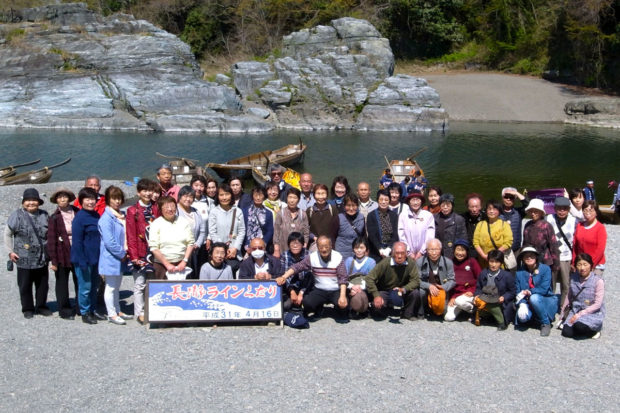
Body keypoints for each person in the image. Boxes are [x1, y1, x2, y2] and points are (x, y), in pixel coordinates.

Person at [276, 236, 349, 322]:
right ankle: (319, 308)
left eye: (326, 246)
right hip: (319, 289)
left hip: (335, 289)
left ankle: (340, 311)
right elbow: (297, 267)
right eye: (321, 247)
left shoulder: (338, 257)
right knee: (307, 302)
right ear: (317, 247)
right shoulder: (312, 257)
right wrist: (284, 277)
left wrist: (343, 296)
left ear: (331, 246)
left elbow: (343, 279)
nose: (324, 249)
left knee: (343, 303)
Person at [5, 188, 50, 319]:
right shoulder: (16, 215)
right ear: (23, 202)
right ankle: (28, 308)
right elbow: (7, 234)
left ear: (39, 202)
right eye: (28, 200)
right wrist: (10, 252)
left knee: (42, 284)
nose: (31, 203)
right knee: (25, 285)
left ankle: (41, 306)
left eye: (34, 200)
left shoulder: (44, 215)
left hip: (41, 257)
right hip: (23, 257)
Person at [126, 178, 160, 324]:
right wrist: (133, 256)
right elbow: (131, 235)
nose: (147, 193)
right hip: (140, 251)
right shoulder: (132, 210)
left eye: (149, 190)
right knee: (140, 283)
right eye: (144, 190)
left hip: (154, 251)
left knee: (153, 281)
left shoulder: (156, 207)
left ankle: (152, 309)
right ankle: (139, 312)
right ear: (138, 192)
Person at [98, 186, 132, 325]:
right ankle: (111, 313)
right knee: (110, 287)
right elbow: (109, 241)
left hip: (121, 257)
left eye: (119, 198)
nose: (117, 201)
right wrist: (122, 253)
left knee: (117, 285)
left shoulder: (121, 215)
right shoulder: (106, 218)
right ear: (108, 200)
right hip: (112, 257)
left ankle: (118, 310)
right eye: (114, 198)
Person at [71, 187, 104, 324]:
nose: (91, 202)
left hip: (95, 257)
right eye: (87, 199)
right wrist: (82, 261)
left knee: (94, 286)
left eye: (93, 199)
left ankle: (93, 309)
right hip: (83, 258)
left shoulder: (96, 215)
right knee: (85, 287)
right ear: (81, 201)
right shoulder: (79, 218)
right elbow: (77, 242)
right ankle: (84, 312)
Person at [365, 242, 421, 320]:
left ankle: (407, 313)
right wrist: (376, 295)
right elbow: (369, 278)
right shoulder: (385, 263)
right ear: (392, 253)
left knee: (415, 293)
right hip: (385, 290)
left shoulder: (411, 263)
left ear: (406, 254)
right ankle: (383, 310)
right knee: (377, 307)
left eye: (402, 253)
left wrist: (404, 289)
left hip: (401, 290)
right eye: (397, 253)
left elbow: (416, 280)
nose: (400, 256)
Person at [47, 188, 79, 319]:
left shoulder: (77, 212)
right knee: (62, 283)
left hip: (77, 252)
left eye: (64, 197)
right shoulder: (54, 217)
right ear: (56, 200)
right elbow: (51, 240)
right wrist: (53, 261)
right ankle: (64, 310)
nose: (62, 199)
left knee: (79, 281)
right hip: (61, 254)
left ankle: (80, 307)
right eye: (59, 197)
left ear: (69, 198)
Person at [514, 246, 557, 336]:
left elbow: (544, 289)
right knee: (522, 318)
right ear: (522, 259)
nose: (529, 258)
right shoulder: (519, 273)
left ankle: (546, 323)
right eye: (526, 256)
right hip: (526, 300)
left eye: (531, 255)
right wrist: (521, 303)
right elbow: (517, 290)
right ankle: (535, 319)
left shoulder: (545, 269)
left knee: (534, 298)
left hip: (544, 299)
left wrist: (530, 292)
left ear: (536, 257)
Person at [148, 196, 195, 280]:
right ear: (160, 209)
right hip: (161, 265)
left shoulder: (183, 222)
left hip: (182, 263)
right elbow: (154, 248)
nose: (170, 209)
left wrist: (184, 261)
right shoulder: (156, 224)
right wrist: (167, 264)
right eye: (166, 207)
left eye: (172, 206)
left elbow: (190, 243)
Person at [561, 253, 605, 339]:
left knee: (579, 327)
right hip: (575, 311)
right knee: (566, 332)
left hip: (592, 313)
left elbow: (598, 304)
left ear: (591, 266)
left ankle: (594, 331)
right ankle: (580, 329)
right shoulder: (573, 278)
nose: (582, 268)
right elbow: (569, 297)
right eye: (579, 265)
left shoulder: (598, 281)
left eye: (585, 265)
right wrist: (562, 314)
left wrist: (580, 314)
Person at [207, 183, 246, 273]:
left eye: (227, 194)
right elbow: (212, 232)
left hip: (234, 252)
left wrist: (235, 248)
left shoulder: (238, 211)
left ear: (231, 196)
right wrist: (222, 249)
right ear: (218, 196)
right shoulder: (214, 212)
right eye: (221, 195)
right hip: (218, 253)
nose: (224, 198)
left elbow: (241, 231)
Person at [473, 249, 516, 330]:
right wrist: (477, 295)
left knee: (492, 305)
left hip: (499, 300)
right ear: (488, 261)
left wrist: (504, 297)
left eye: (497, 262)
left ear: (501, 263)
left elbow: (512, 291)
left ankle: (501, 322)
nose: (493, 264)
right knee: (478, 302)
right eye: (491, 261)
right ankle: (487, 317)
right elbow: (478, 288)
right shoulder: (483, 273)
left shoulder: (507, 275)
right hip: (486, 297)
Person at [546, 196, 576, 308]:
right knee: (550, 284)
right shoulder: (549, 219)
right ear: (554, 208)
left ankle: (564, 307)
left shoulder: (574, 221)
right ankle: (550, 306)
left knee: (566, 285)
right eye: (559, 208)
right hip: (552, 258)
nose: (562, 211)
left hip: (566, 257)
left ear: (568, 209)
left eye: (564, 209)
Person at [415, 239, 455, 317]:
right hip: (427, 288)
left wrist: (443, 287)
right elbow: (416, 280)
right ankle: (421, 312)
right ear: (426, 250)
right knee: (421, 291)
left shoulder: (448, 262)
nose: (434, 253)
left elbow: (452, 280)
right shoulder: (420, 262)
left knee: (444, 313)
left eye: (436, 249)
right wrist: (428, 286)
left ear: (440, 250)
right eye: (431, 249)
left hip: (441, 289)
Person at [444, 239, 481, 322]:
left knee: (460, 301)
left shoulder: (472, 261)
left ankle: (475, 311)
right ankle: (463, 311)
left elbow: (480, 279)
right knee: (448, 318)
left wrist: (473, 291)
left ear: (467, 252)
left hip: (469, 294)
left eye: (463, 250)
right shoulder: (450, 262)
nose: (460, 253)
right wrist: (452, 297)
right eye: (458, 250)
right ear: (454, 251)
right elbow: (449, 282)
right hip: (456, 296)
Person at [522, 198, 560, 273]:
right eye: (531, 211)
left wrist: (556, 264)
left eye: (536, 211)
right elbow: (524, 244)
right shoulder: (527, 225)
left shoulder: (547, 226)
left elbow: (553, 246)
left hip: (544, 260)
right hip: (530, 259)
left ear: (541, 212)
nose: (533, 213)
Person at [176, 186, 206, 278]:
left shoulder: (196, 212)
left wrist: (197, 244)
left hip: (194, 250)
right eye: (185, 196)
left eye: (191, 197)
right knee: (181, 276)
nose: (188, 199)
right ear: (180, 196)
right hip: (180, 251)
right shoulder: (175, 211)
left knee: (193, 274)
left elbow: (202, 231)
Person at [473, 200, 513, 267]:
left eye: (494, 209)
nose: (491, 211)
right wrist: (484, 256)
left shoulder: (504, 225)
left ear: (499, 211)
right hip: (483, 260)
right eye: (489, 209)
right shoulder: (480, 224)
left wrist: (493, 255)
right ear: (486, 211)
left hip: (498, 260)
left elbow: (508, 242)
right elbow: (475, 242)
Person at [572, 200, 606, 276]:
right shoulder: (579, 225)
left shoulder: (600, 228)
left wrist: (590, 265)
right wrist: (574, 261)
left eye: (591, 210)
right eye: (585, 210)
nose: (588, 213)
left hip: (595, 265)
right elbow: (575, 245)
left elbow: (600, 249)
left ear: (596, 212)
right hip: (580, 264)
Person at [279, 232, 312, 311]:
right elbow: (284, 275)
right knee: (286, 305)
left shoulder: (309, 255)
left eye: (298, 243)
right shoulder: (284, 255)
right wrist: (292, 291)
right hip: (290, 287)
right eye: (292, 243)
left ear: (303, 244)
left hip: (305, 287)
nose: (295, 246)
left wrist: (301, 293)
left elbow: (310, 276)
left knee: (309, 303)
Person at [344, 236, 376, 316]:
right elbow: (344, 278)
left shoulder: (371, 262)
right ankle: (353, 308)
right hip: (350, 288)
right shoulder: (349, 261)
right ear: (353, 249)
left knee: (360, 296)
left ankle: (362, 309)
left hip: (365, 289)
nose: (359, 250)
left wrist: (360, 287)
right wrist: (352, 287)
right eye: (356, 248)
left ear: (366, 249)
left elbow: (372, 280)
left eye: (362, 248)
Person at [273, 187, 309, 258]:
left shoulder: (303, 214)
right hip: (283, 250)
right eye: (290, 197)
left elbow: (306, 233)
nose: (292, 200)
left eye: (295, 198)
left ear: (298, 200)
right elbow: (276, 233)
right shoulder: (281, 213)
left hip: (299, 251)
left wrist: (304, 247)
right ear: (286, 198)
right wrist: (276, 250)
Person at [398, 191, 435, 260]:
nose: (415, 203)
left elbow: (430, 235)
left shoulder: (428, 216)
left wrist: (421, 252)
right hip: (407, 254)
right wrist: (408, 252)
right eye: (413, 200)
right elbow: (401, 235)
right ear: (409, 202)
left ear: (421, 201)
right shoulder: (403, 216)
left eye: (417, 200)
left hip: (425, 254)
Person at [366, 189, 399, 262]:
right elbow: (372, 235)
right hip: (375, 252)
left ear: (389, 201)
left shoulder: (394, 215)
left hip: (390, 252)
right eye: (381, 199)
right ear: (377, 200)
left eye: (386, 200)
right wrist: (380, 249)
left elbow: (395, 234)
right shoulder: (371, 215)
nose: (383, 202)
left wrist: (389, 248)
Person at [434, 193, 467, 260]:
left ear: (452, 206)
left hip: (453, 254)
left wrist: (458, 252)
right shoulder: (434, 218)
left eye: (448, 205)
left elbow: (463, 238)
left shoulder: (458, 219)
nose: (445, 207)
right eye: (443, 205)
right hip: (437, 252)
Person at [242, 186, 274, 254]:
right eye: (256, 195)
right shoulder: (244, 211)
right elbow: (242, 229)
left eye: (261, 195)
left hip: (261, 246)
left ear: (264, 196)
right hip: (247, 246)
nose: (258, 198)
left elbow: (270, 231)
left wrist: (263, 243)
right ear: (252, 196)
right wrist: (247, 245)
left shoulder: (268, 213)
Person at [335, 194, 365, 259]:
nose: (351, 208)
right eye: (348, 205)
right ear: (344, 206)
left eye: (354, 205)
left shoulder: (361, 217)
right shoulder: (339, 218)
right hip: (341, 252)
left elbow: (363, 235)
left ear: (357, 205)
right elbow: (332, 236)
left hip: (357, 252)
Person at [500, 187, 529, 252]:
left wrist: (516, 193)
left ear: (515, 198)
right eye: (506, 197)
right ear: (502, 197)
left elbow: (528, 205)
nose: (508, 199)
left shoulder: (519, 212)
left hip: (516, 250)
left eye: (511, 197)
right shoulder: (496, 211)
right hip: (500, 249)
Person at [461, 193, 485, 259]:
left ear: (481, 206)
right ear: (467, 207)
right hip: (468, 252)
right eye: (472, 207)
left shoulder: (486, 218)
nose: (474, 210)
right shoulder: (462, 218)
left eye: (477, 206)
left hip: (483, 252)